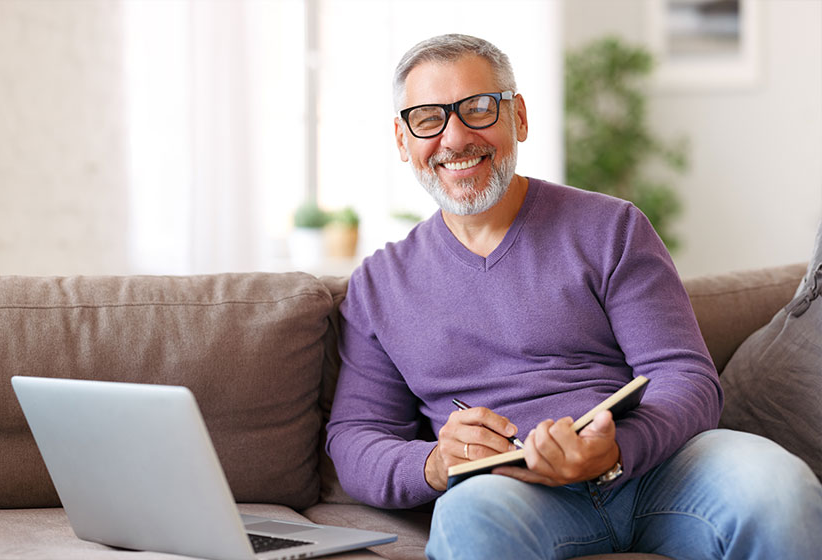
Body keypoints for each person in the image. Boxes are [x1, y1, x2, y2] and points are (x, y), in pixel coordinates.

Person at [325, 33, 822, 560]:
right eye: (428, 118)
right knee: (469, 516)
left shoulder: (613, 227)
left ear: (518, 116)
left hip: (658, 470)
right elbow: (356, 437)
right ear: (403, 141)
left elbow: (687, 377)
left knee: (780, 489)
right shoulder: (379, 286)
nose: (455, 138)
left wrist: (615, 451)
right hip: (512, 493)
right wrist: (434, 463)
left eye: (477, 109)